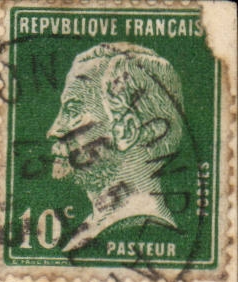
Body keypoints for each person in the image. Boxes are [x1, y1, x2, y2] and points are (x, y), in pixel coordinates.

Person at [47, 43, 185, 251]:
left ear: (126, 131)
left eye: (73, 112)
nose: (53, 131)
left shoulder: (136, 230)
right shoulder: (95, 228)